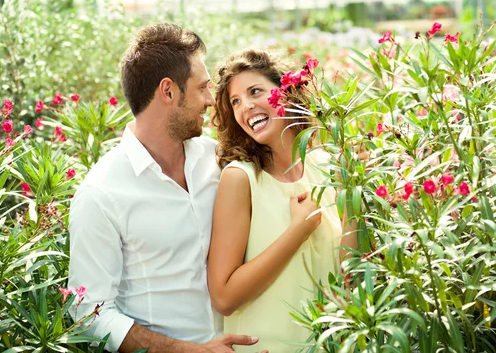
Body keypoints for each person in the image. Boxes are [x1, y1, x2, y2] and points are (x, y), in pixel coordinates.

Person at [68, 23, 266, 353]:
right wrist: (184, 350)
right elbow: (88, 312)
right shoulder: (101, 195)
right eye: (202, 88)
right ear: (169, 91)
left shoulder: (217, 160)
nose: (209, 101)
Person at [208, 49, 356, 352]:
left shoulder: (325, 165)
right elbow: (223, 297)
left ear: (286, 94)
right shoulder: (241, 178)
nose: (246, 107)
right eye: (235, 102)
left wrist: (354, 190)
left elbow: (348, 275)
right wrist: (296, 232)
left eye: (255, 92)